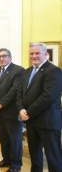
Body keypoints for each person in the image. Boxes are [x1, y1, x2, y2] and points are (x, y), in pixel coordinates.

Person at [17, 42, 62, 172]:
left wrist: (28, 112)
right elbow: (20, 93)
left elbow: (48, 96)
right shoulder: (27, 71)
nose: (34, 56)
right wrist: (21, 109)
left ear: (46, 54)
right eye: (32, 53)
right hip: (31, 122)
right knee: (35, 156)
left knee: (54, 158)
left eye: (37, 53)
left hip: (48, 122)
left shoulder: (54, 71)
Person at [0, 48, 24, 172]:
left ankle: (16, 165)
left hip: (12, 112)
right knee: (3, 139)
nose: (1, 58)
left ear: (10, 57)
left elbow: (15, 90)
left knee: (15, 140)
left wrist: (1, 103)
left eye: (4, 56)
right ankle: (6, 159)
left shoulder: (18, 70)